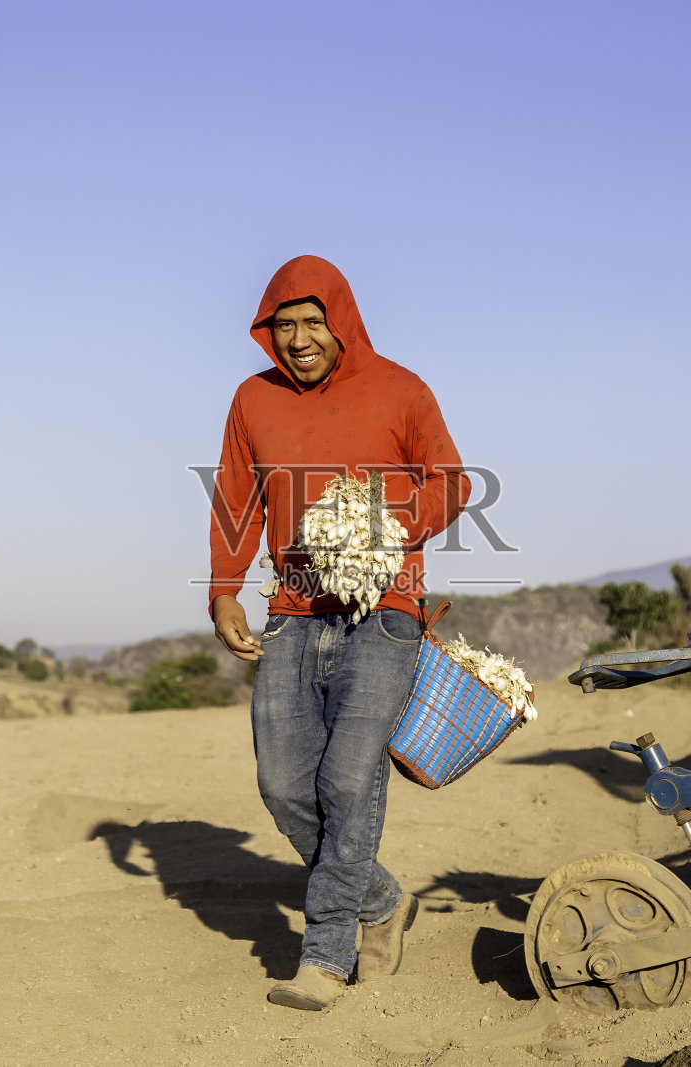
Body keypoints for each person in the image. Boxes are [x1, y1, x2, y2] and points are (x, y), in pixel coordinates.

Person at [207, 255, 470, 1010]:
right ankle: (381, 900)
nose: (298, 340)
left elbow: (451, 480)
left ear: (342, 321)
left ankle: (325, 954)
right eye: (283, 325)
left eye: (312, 323)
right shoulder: (251, 399)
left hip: (385, 610)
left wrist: (385, 524)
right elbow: (236, 497)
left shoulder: (402, 389)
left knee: (349, 780)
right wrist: (224, 590)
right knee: (284, 786)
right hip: (292, 613)